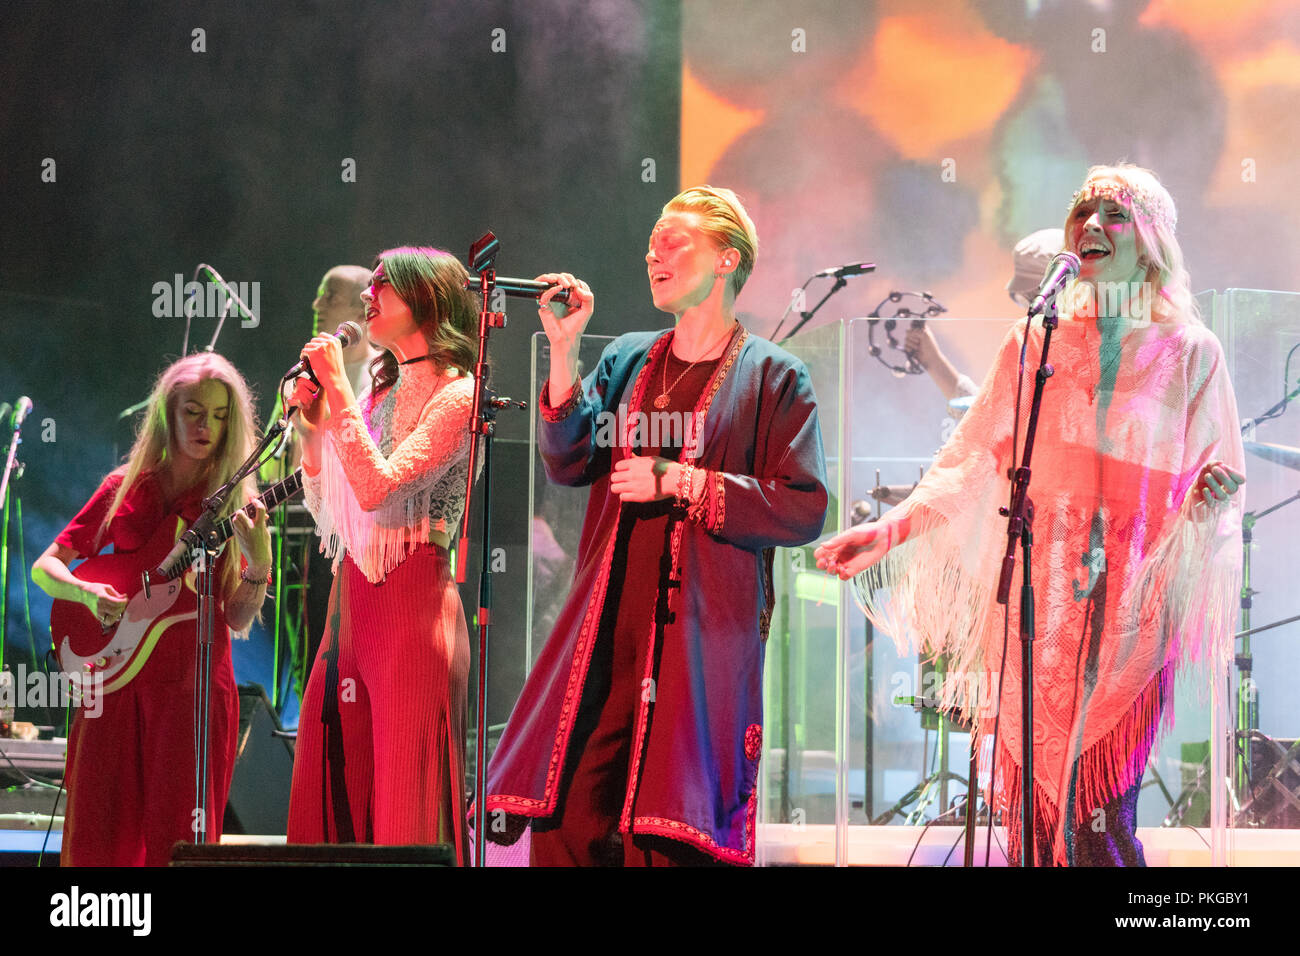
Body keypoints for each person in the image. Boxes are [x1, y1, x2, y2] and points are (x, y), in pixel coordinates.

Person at [817, 164, 1245, 866]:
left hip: (1131, 612)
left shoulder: (1192, 351)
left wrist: (1209, 497)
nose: (1094, 225)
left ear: (1152, 242)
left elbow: (1214, 477)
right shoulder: (1034, 342)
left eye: (1115, 214)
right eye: (1084, 211)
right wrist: (888, 530)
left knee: (1097, 827)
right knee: (1033, 830)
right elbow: (973, 458)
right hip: (1036, 609)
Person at [484, 186, 828, 866]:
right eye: (650, 244)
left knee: (668, 828)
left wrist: (682, 480)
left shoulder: (773, 376)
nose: (654, 253)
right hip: (609, 628)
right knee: (571, 811)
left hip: (699, 637)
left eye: (675, 240)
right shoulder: (630, 359)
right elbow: (569, 461)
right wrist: (563, 349)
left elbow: (803, 505)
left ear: (728, 259)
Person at [32, 352, 271, 866]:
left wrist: (258, 564)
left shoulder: (231, 505)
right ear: (167, 411)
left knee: (179, 841)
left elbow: (237, 617)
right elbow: (45, 567)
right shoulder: (124, 486)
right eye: (193, 411)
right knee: (97, 837)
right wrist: (86, 593)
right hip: (112, 683)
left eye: (220, 415)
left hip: (192, 694)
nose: (206, 425)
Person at [285, 246, 477, 862]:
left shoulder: (458, 395)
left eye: (382, 287)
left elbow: (377, 488)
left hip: (413, 605)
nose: (369, 297)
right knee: (329, 781)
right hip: (353, 600)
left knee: (405, 810)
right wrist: (312, 429)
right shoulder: (376, 391)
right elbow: (331, 507)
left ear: (425, 299)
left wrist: (339, 385)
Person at [262, 264, 380, 706]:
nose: (316, 306)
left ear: (359, 311)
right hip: (303, 535)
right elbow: (282, 463)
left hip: (361, 538)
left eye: (329, 297)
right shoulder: (302, 372)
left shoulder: (383, 375)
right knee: (306, 660)